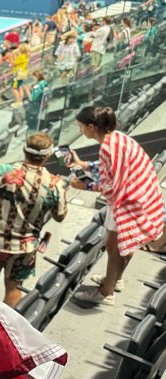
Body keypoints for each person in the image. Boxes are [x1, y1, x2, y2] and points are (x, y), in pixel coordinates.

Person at [69, 107, 165, 306]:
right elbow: (113, 167)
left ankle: (106, 292)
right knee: (123, 246)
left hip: (129, 202)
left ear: (92, 126)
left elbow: (113, 188)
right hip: (143, 195)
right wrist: (84, 165)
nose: (80, 131)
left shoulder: (107, 148)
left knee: (114, 247)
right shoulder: (117, 137)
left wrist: (85, 185)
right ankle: (115, 279)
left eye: (81, 127)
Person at [0, 134, 68, 306]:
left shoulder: (3, 171)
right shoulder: (55, 183)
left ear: (25, 151)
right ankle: (1, 327)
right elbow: (60, 215)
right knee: (14, 288)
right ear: (47, 156)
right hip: (26, 247)